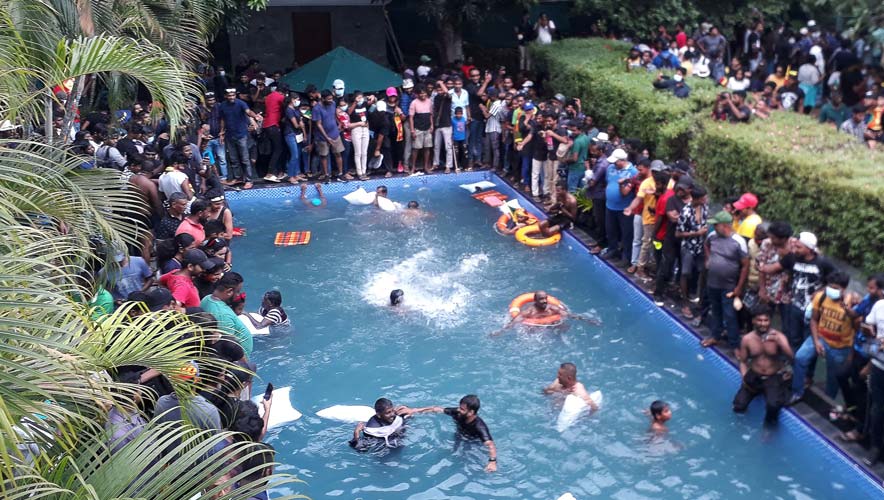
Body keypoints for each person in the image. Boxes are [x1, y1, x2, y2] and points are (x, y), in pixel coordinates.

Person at [791, 271, 858, 403]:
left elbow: (857, 327)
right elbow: (814, 320)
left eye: (835, 288)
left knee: (833, 378)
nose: (831, 290)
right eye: (830, 286)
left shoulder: (852, 303)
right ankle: (797, 392)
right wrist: (816, 342)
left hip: (840, 346)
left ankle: (828, 401)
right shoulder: (821, 297)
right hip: (821, 337)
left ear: (844, 289)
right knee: (800, 358)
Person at [733, 304, 794, 425]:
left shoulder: (779, 337)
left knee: (773, 406)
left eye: (766, 320)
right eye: (759, 320)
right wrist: (744, 377)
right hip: (754, 375)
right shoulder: (747, 339)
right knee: (738, 405)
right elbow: (743, 361)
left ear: (770, 321)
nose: (763, 323)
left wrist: (780, 343)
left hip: (773, 376)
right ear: (753, 321)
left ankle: (768, 429)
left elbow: (791, 357)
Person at [401, 395, 497, 472]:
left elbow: (490, 445)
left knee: (467, 458)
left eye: (462, 409)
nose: (459, 410)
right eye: (460, 407)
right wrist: (414, 410)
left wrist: (492, 462)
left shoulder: (480, 426)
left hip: (473, 441)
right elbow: (436, 409)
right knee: (455, 453)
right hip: (459, 435)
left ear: (471, 412)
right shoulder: (458, 413)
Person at [701, 211, 749, 349]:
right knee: (715, 310)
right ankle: (715, 336)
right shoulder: (712, 236)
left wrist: (739, 287)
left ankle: (735, 344)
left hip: (729, 285)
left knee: (729, 314)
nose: (713, 227)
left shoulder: (738, 241)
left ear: (724, 226)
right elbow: (706, 245)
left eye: (716, 225)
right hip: (712, 282)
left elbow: (745, 265)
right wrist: (708, 259)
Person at [491, 290, 599, 336]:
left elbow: (569, 315)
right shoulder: (530, 311)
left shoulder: (552, 308)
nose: (544, 301)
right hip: (536, 328)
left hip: (551, 325)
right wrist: (500, 331)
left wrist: (587, 320)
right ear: (535, 301)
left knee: (564, 326)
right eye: (541, 299)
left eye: (545, 299)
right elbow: (515, 321)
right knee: (529, 332)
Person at [200, 272, 253, 357]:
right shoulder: (222, 316)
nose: (238, 295)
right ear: (229, 291)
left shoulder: (207, 298)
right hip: (237, 361)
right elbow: (228, 347)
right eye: (238, 292)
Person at [218, 88, 262, 189]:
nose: (231, 97)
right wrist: (221, 131)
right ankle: (237, 177)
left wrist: (255, 116)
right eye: (229, 95)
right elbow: (223, 119)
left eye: (233, 95)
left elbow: (248, 111)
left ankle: (249, 180)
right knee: (233, 158)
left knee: (245, 159)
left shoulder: (241, 103)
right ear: (226, 96)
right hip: (229, 135)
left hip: (242, 135)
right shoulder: (222, 105)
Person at [313, 89, 351, 181]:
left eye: (331, 98)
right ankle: (326, 175)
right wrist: (327, 138)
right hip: (322, 136)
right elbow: (318, 124)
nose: (330, 100)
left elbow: (334, 115)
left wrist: (339, 123)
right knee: (324, 155)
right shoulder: (316, 108)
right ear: (323, 99)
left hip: (335, 133)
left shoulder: (333, 103)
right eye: (328, 99)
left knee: (338, 153)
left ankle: (341, 174)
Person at [408, 84, 434, 175]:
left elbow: (431, 115)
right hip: (417, 128)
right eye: (421, 94)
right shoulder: (414, 103)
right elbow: (411, 117)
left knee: (427, 148)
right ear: (418, 94)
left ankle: (426, 167)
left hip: (427, 128)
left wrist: (432, 126)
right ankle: (413, 167)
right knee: (416, 149)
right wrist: (412, 130)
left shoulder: (429, 101)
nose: (423, 95)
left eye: (424, 93)